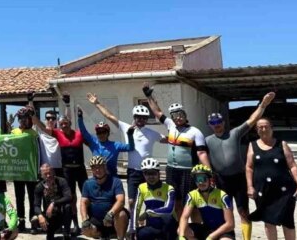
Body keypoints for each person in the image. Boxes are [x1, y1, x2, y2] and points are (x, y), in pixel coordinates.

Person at [86, 93, 164, 235]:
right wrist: (96, 103)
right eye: (138, 117)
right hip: (133, 171)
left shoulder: (152, 133)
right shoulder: (127, 128)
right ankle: (132, 227)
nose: (140, 120)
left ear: (147, 119)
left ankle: (148, 227)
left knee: (149, 201)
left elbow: (168, 140)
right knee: (132, 201)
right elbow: (110, 116)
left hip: (148, 172)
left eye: (143, 118)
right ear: (134, 117)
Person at [206, 92, 274, 240]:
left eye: (218, 122)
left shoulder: (235, 133)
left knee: (244, 212)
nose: (216, 125)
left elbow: (252, 119)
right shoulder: (207, 140)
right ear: (210, 125)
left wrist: (263, 104)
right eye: (213, 123)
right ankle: (227, 237)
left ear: (223, 122)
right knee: (225, 212)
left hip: (239, 179)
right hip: (221, 180)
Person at [144, 83, 210, 216]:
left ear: (185, 115)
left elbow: (202, 153)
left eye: (180, 114)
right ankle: (180, 229)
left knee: (191, 202)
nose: (177, 117)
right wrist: (148, 96)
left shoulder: (194, 132)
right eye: (174, 115)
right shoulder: (171, 125)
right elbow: (157, 112)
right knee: (175, 201)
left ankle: (196, 229)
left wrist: (209, 171)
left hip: (187, 171)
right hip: (171, 170)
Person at [246, 117, 297, 240]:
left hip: (285, 191)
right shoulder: (252, 145)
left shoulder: (281, 144)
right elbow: (249, 167)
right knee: (268, 221)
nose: (263, 129)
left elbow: (292, 166)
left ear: (272, 128)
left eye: (266, 126)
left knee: (287, 220)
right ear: (256, 130)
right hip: (264, 190)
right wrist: (250, 186)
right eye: (260, 127)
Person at [37, 94, 86, 234]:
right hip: (65, 170)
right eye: (48, 118)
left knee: (85, 195)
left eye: (53, 119)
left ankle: (87, 221)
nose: (51, 120)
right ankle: (72, 224)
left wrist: (67, 105)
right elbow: (41, 126)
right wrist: (33, 114)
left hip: (77, 169)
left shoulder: (68, 132)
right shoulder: (55, 133)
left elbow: (66, 119)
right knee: (70, 198)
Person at [77, 97, 135, 176]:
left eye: (104, 132)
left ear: (108, 133)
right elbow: (83, 132)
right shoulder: (93, 142)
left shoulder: (116, 145)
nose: (101, 134)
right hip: (97, 177)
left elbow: (130, 147)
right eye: (99, 132)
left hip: (112, 177)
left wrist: (130, 135)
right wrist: (80, 117)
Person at [177, 165, 235, 240]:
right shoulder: (192, 195)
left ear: (210, 179)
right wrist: (181, 236)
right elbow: (184, 217)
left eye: (204, 179)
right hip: (206, 229)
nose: (201, 182)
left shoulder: (222, 195)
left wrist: (211, 237)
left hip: (223, 231)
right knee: (181, 230)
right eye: (198, 179)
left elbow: (230, 224)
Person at [80, 156, 129, 240]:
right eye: (94, 168)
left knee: (122, 214)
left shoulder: (115, 181)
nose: (97, 170)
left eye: (100, 167)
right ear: (92, 170)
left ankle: (120, 237)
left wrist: (110, 214)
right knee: (85, 230)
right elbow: (83, 202)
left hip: (112, 219)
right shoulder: (87, 183)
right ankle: (102, 235)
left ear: (105, 167)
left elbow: (121, 200)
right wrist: (85, 220)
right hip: (96, 219)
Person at [9, 106, 40, 234]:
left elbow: (38, 152)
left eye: (25, 118)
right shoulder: (14, 132)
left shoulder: (34, 133)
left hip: (31, 170)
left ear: (29, 119)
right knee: (19, 197)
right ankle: (21, 221)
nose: (23, 121)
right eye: (21, 119)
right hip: (18, 170)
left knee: (33, 197)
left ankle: (33, 222)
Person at [133, 158, 176, 240]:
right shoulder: (141, 187)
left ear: (158, 173)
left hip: (167, 227)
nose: (151, 177)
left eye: (153, 173)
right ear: (143, 175)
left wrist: (148, 213)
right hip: (152, 227)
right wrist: (132, 227)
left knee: (168, 217)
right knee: (137, 234)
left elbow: (169, 209)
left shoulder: (169, 188)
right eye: (147, 174)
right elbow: (136, 208)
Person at [33, 163, 73, 240]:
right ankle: (49, 232)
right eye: (45, 174)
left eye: (49, 173)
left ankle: (66, 233)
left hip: (61, 213)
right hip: (50, 216)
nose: (48, 175)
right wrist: (40, 215)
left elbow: (69, 197)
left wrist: (54, 203)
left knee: (68, 207)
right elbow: (36, 205)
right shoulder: (39, 187)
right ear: (42, 176)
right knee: (35, 219)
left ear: (53, 172)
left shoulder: (62, 181)